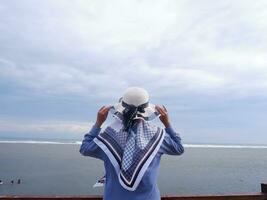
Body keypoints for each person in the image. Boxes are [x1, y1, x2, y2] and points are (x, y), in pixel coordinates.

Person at [80, 87, 184, 200]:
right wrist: (167, 123)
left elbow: (85, 148)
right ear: (146, 111)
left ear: (121, 110)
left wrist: (98, 123)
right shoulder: (157, 137)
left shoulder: (109, 137)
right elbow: (178, 148)